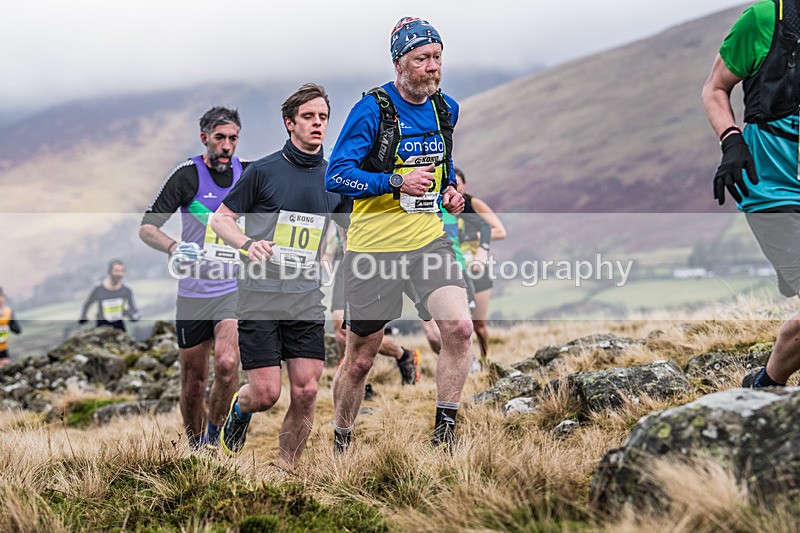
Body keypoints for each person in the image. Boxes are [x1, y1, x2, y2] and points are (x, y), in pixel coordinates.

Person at [326, 17, 473, 452]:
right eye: (422, 58)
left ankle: (444, 438)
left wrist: (449, 193)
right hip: (375, 248)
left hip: (428, 239)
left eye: (437, 58)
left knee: (460, 328)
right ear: (399, 63)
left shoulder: (446, 109)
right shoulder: (372, 110)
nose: (432, 67)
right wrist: (394, 182)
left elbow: (442, 169)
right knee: (361, 360)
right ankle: (342, 440)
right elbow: (337, 175)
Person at [211, 83, 350, 467]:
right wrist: (247, 244)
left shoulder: (334, 177)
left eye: (323, 117)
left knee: (306, 392)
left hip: (305, 295)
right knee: (267, 394)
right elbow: (221, 219)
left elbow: (352, 230)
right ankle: (240, 411)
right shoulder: (263, 171)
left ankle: (287, 472)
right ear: (290, 123)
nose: (317, 124)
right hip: (260, 295)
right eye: (308, 117)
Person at [702, 0, 800, 388]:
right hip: (772, 190)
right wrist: (731, 140)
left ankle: (765, 385)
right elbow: (714, 88)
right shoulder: (764, 19)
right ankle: (765, 388)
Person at [139, 106, 246, 451]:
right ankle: (195, 447)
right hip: (193, 293)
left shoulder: (247, 174)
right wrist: (173, 247)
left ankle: (214, 439)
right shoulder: (187, 176)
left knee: (228, 365)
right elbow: (147, 228)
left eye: (232, 138)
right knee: (193, 384)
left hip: (233, 288)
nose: (226, 146)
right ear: (205, 139)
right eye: (220, 138)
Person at [325, 231, 421, 389]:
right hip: (345, 258)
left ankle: (403, 355)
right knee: (340, 326)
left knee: (361, 330)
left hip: (372, 255)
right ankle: (361, 383)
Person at [455, 167, 506, 364]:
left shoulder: (473, 204)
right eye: (450, 185)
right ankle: (468, 361)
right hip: (453, 270)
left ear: (465, 185)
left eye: (458, 184)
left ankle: (485, 358)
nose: (455, 188)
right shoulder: (441, 206)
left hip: (477, 268)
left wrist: (472, 236)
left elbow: (500, 231)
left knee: (478, 324)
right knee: (458, 324)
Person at [78, 259, 140, 331]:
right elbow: (87, 304)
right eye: (116, 271)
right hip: (102, 327)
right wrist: (83, 316)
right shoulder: (98, 289)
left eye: (122, 271)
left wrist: (132, 315)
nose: (119, 274)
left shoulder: (126, 290)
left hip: (119, 327)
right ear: (109, 271)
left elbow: (133, 308)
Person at [0, 287, 22, 367]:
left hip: (3, 348)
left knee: (6, 368)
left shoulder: (8, 312)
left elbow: (17, 330)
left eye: (1, 296)